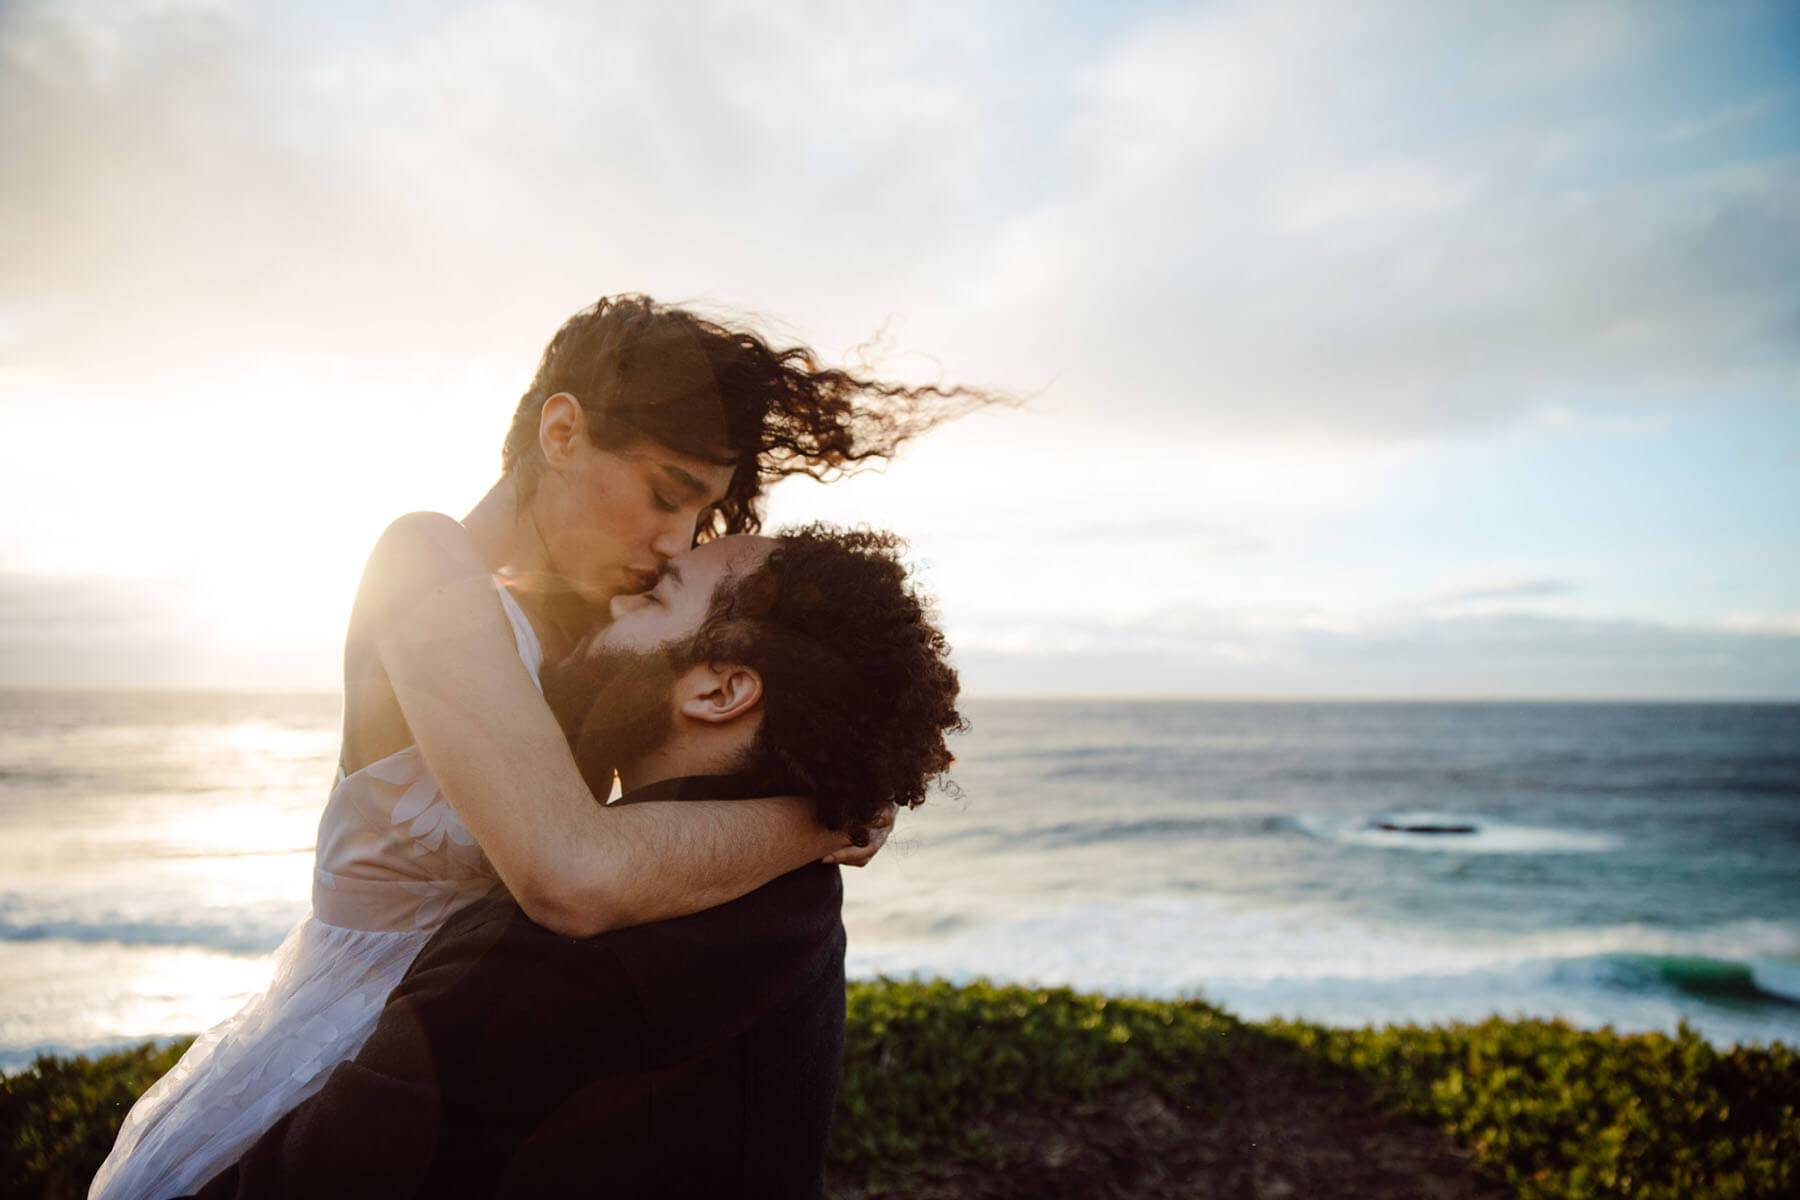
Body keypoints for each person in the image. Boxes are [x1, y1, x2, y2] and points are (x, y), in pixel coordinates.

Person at [90, 296, 991, 1200]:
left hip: (483, 1032)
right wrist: (812, 821)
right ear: (561, 431)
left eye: (701, 512)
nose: (672, 541)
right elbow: (569, 867)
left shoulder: (599, 630)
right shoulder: (423, 563)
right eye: (666, 493)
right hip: (341, 1034)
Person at [181, 526, 963, 1198]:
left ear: (721, 691)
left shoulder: (567, 955)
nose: (617, 603)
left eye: (655, 599)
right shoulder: (795, 892)